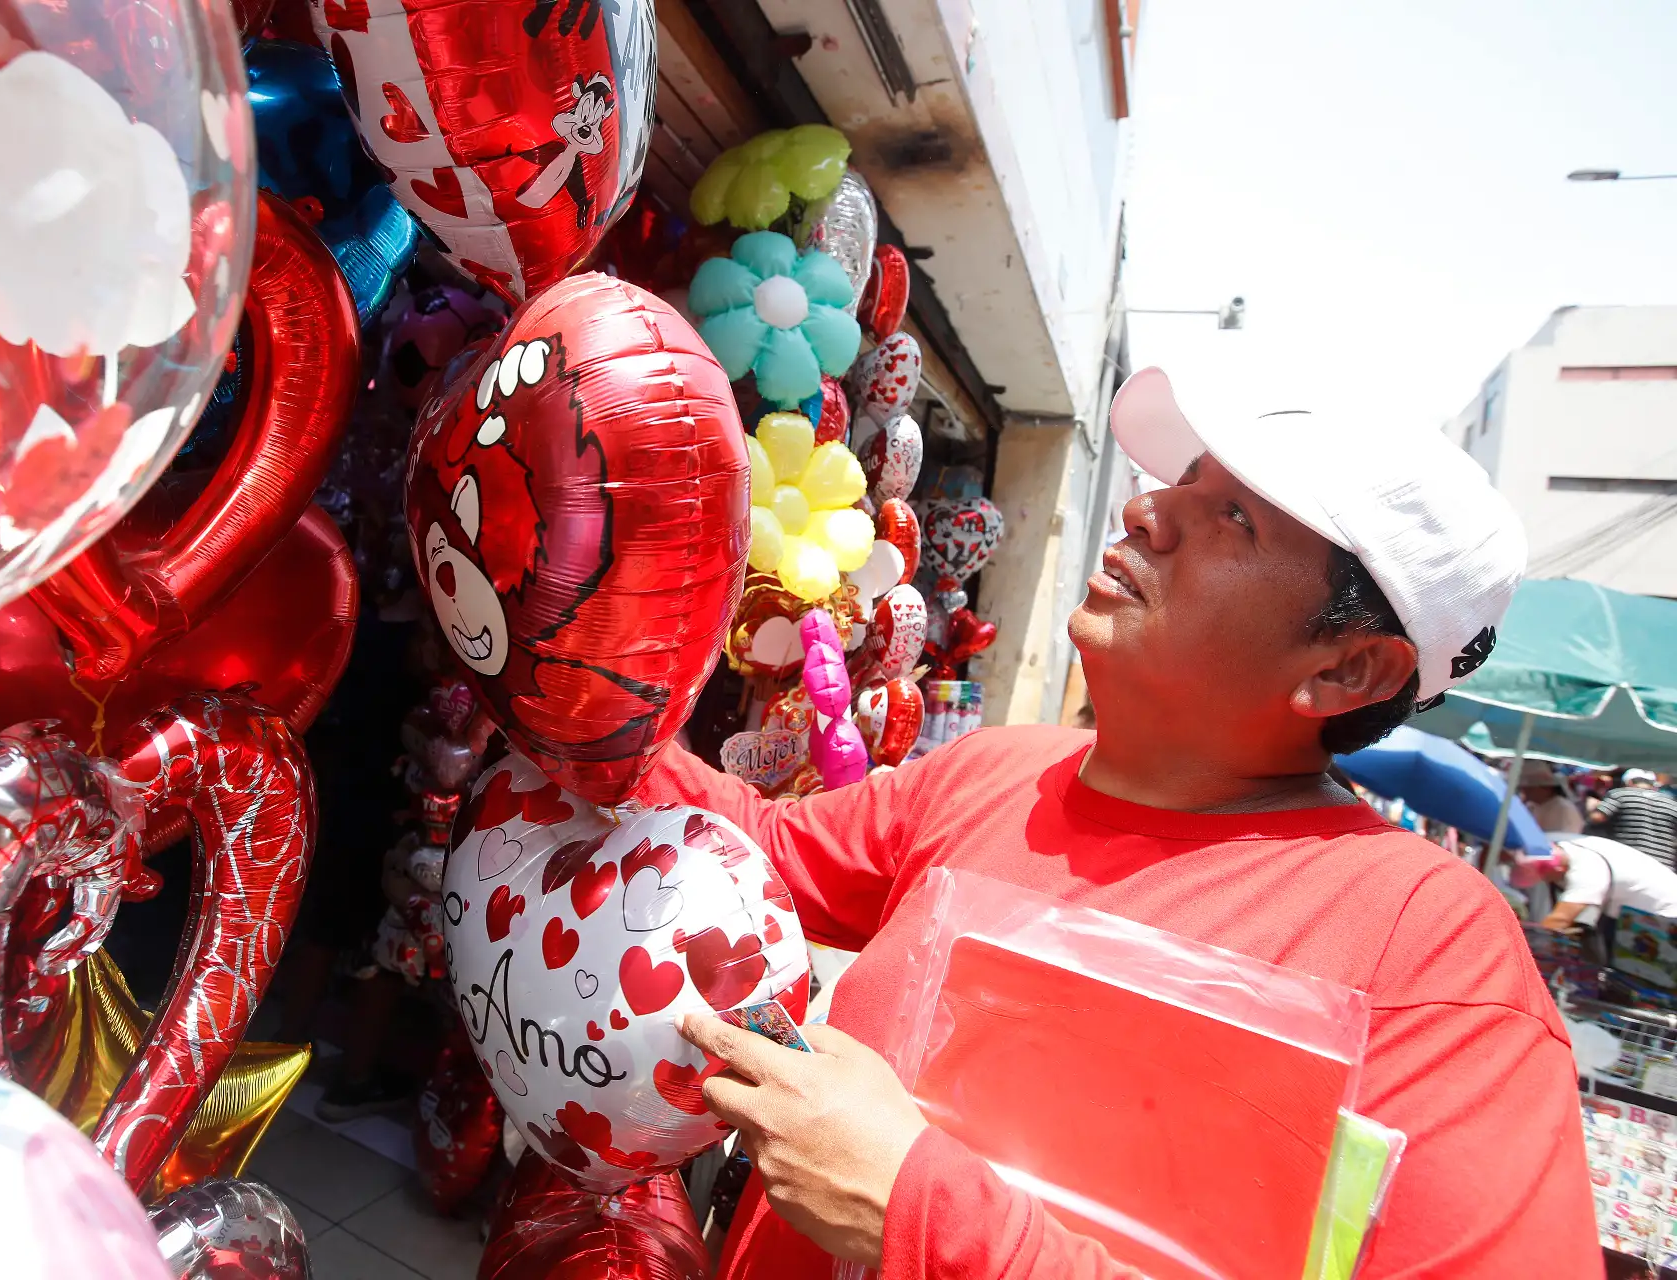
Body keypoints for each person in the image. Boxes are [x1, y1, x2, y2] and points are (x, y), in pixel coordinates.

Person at [643, 367, 1599, 1278]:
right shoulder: (994, 772)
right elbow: (744, 848)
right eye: (1183, 479)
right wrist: (576, 677)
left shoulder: (1432, 954)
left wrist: (920, 1213)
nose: (1148, 510)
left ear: (1347, 671)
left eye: (1236, 517)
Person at [1512, 834, 1677, 943]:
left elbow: (1558, 921)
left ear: (1557, 869)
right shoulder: (1569, 847)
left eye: (1545, 877)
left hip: (1664, 914)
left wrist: (1524, 946)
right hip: (1633, 914)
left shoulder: (1586, 872)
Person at [1589, 769, 1677, 871]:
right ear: (1654, 785)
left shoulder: (1620, 794)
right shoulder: (1672, 803)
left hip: (1626, 863)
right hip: (1663, 868)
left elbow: (1597, 817)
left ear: (1628, 782)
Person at [1521, 759, 1586, 835]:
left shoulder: (1563, 809)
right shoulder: (1532, 806)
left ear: (1546, 788)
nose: (1525, 791)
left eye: (1530, 788)